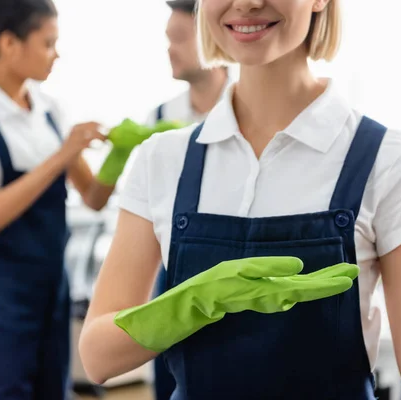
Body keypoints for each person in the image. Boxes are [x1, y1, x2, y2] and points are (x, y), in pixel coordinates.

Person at [78, 1, 401, 399]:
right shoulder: (161, 160)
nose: (245, 3)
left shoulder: (389, 159)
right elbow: (96, 358)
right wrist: (193, 301)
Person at [0, 1, 157, 398]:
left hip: (53, 280)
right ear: (9, 44)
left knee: (54, 384)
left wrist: (121, 153)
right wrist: (63, 155)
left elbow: (93, 198)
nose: (57, 54)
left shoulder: (49, 109)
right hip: (4, 286)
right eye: (48, 43)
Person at [147, 1, 230, 399]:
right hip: (173, 268)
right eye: (168, 40)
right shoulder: (159, 119)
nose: (170, 50)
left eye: (179, 39)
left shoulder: (252, 109)